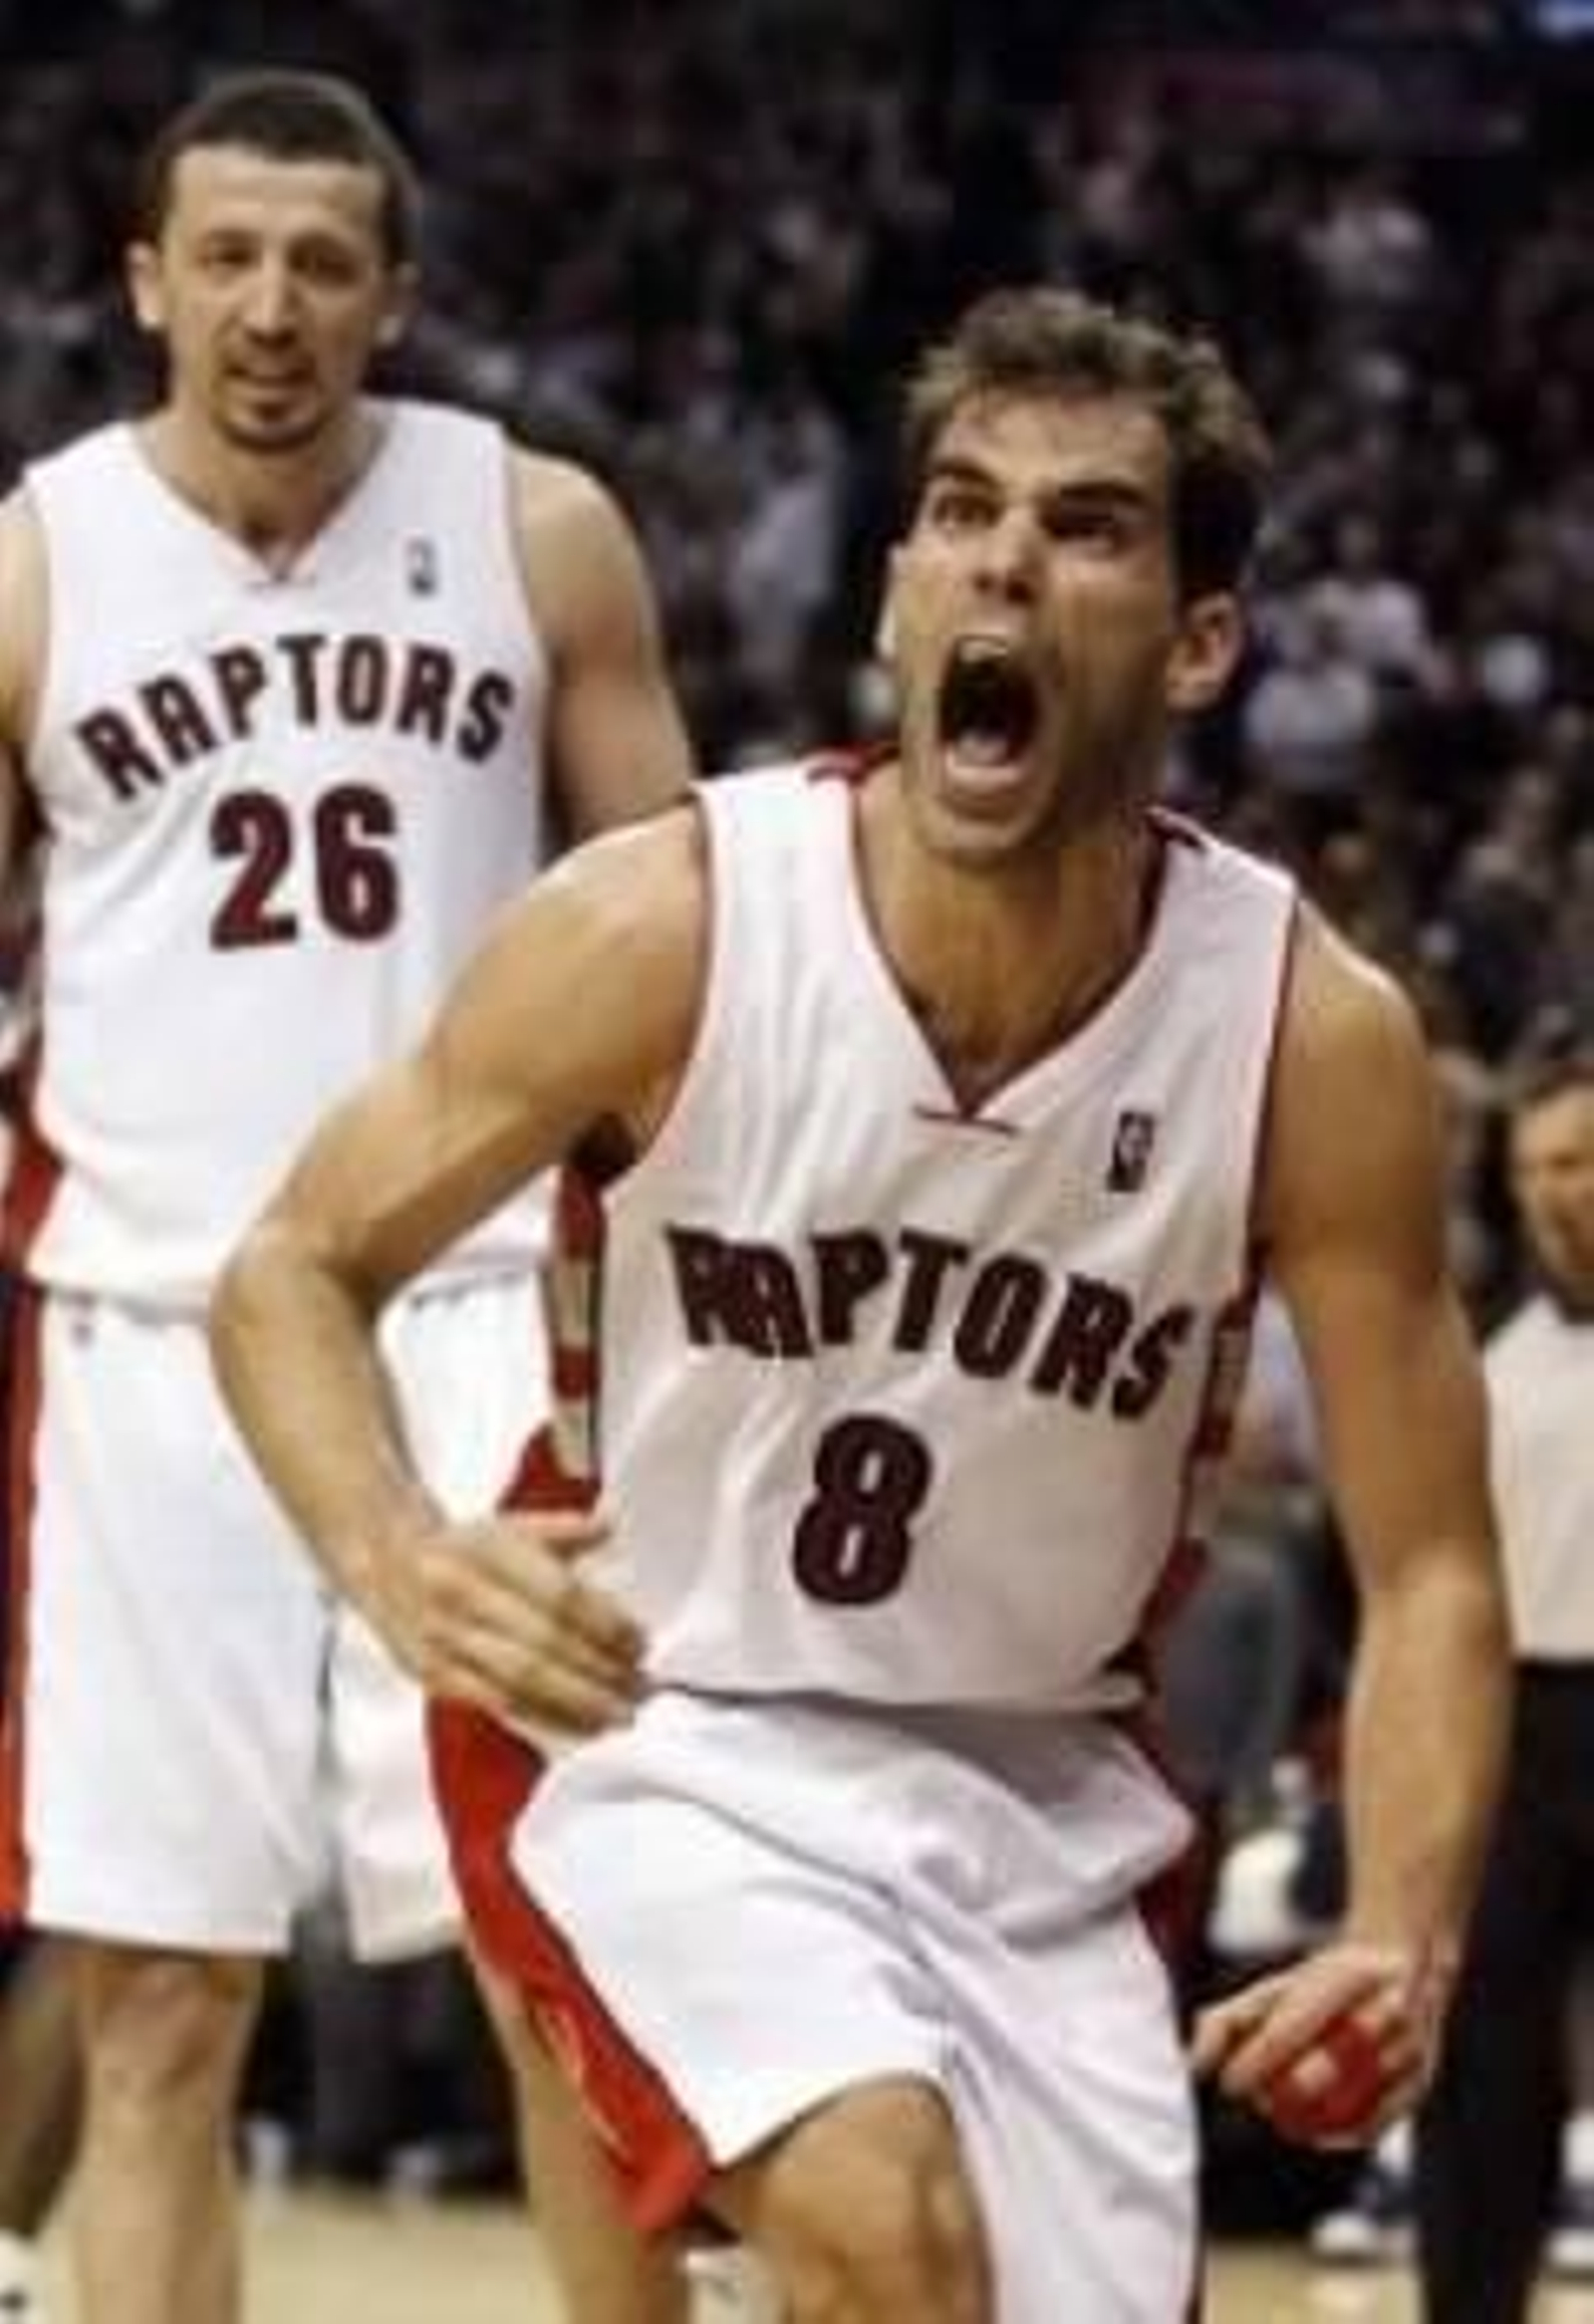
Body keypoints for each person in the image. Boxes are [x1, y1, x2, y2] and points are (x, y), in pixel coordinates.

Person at [210, 286, 1509, 2324]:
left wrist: (1403, 1928)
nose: (1002, 555)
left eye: (1084, 525)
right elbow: (289, 1265)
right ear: (897, 589)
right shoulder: (671, 919)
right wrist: (393, 1556)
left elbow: (1426, 1559)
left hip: (1036, 1791)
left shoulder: (1302, 1034)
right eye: (959, 509)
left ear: (1196, 642)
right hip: (660, 1723)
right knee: (887, 2229)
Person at [0, 66, 692, 2324]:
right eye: (224, 256)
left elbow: (680, 936)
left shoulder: (537, 528)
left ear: (390, 293)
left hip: (471, 1300)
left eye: (319, 260)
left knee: (551, 1969)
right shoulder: (33, 557)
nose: (269, 304)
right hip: (146, 1329)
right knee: (161, 1999)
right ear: (143, 281)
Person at [1414, 1045, 1594, 2323]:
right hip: (1519, 1721)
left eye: (1579, 1161)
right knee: (1485, 2066)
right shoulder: (1485, 1361)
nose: (1554, 1190)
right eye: (1535, 1166)